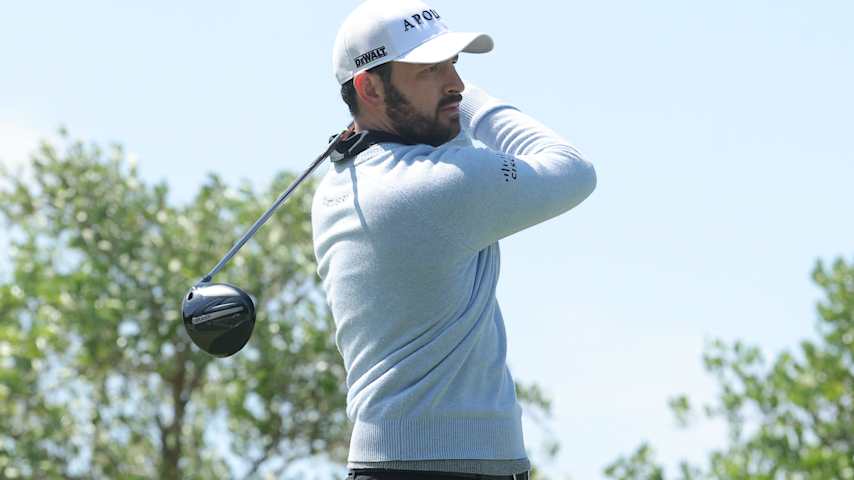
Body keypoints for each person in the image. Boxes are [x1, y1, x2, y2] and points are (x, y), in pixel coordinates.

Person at [311, 1, 596, 479]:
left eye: (455, 65)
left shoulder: (339, 185)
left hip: (390, 463)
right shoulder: (435, 186)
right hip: (453, 468)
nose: (456, 84)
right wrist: (474, 106)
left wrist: (435, 97)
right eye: (430, 69)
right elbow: (571, 169)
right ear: (369, 87)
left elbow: (442, 145)